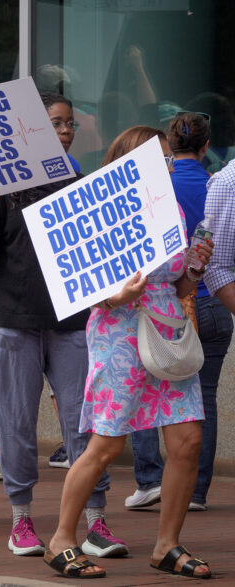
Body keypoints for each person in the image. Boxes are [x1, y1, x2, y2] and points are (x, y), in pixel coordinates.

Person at [44, 126, 212, 580]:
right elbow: (80, 286)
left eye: (169, 158)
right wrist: (117, 296)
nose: (169, 166)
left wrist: (195, 267)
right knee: (106, 443)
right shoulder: (100, 210)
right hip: (118, 331)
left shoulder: (171, 207)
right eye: (160, 158)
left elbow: (178, 284)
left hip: (166, 329)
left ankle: (167, 545)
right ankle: (61, 539)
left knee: (188, 440)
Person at [0, 97, 125, 558]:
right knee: (16, 423)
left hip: (72, 323)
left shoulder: (80, 187)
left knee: (84, 422)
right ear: (31, 130)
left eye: (70, 124)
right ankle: (21, 520)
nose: (66, 131)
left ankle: (95, 522)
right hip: (14, 321)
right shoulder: (0, 191)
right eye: (55, 123)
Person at [125, 112, 233, 513]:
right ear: (206, 147)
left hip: (163, 307)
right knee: (203, 400)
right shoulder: (215, 184)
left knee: (145, 393)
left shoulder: (154, 190)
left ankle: (150, 479)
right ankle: (196, 491)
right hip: (212, 300)